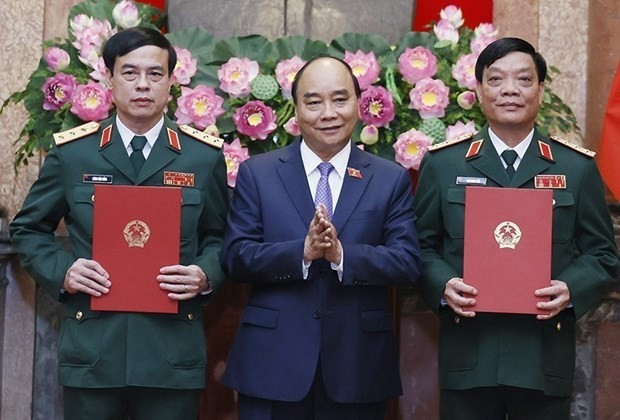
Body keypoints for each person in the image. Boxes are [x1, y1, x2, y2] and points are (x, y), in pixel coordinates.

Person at [10, 27, 229, 420]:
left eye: (155, 74)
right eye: (129, 73)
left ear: (171, 83)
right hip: (94, 350)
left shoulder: (202, 157)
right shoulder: (75, 154)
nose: (142, 85)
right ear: (108, 79)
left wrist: (204, 273)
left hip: (171, 352)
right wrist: (64, 271)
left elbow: (222, 236)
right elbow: (28, 229)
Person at [414, 37, 619, 419]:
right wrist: (443, 284)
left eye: (524, 80)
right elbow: (419, 247)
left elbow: (604, 255)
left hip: (543, 356)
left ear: (541, 89)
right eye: (496, 80)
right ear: (478, 90)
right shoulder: (444, 165)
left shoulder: (575, 168)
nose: (510, 90)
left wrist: (571, 289)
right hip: (468, 354)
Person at [220, 56, 422, 420]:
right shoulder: (259, 173)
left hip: (357, 366)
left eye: (340, 99)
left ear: (358, 105)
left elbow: (408, 262)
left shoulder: (389, 178)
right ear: (295, 110)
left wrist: (343, 255)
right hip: (272, 363)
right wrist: (303, 251)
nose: (328, 112)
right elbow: (236, 256)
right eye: (313, 101)